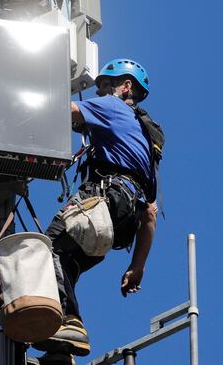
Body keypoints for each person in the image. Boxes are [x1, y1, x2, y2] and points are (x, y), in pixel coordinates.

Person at [33, 59, 163, 361]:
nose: (100, 92)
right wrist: (137, 266)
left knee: (46, 251)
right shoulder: (145, 144)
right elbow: (150, 214)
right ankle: (60, 353)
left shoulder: (113, 107)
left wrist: (13, 93)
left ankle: (68, 321)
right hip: (120, 222)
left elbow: (65, 111)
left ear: (125, 86)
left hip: (103, 200)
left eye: (105, 85)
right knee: (66, 265)